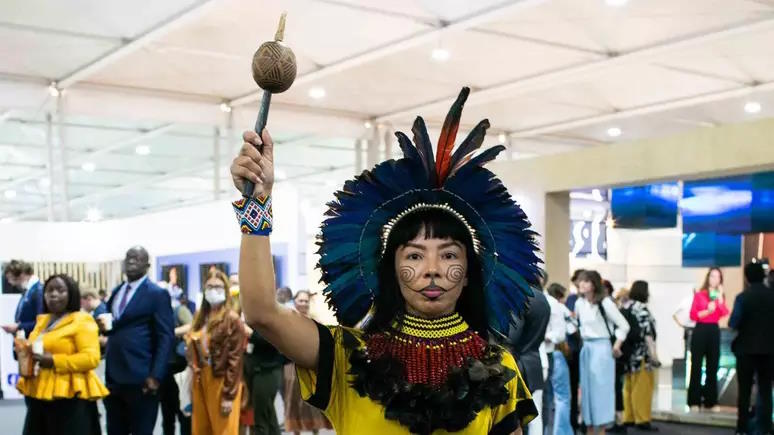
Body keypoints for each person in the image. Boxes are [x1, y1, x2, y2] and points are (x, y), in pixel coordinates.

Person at [231, 87, 540, 434]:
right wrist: (257, 204)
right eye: (414, 255)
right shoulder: (347, 355)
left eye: (449, 254)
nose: (433, 269)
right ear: (391, 269)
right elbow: (261, 312)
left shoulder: (499, 367)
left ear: (469, 272)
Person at [16, 274, 109, 435]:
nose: (53, 294)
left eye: (60, 290)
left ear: (71, 294)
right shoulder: (43, 321)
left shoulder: (82, 320)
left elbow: (91, 358)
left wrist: (54, 361)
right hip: (39, 393)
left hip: (70, 397)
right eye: (49, 290)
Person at [100, 246, 175, 435]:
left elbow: (165, 336)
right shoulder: (117, 291)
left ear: (147, 265)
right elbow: (115, 326)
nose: (131, 261)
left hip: (142, 378)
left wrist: (156, 376)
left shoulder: (157, 293)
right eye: (128, 258)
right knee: (115, 430)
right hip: (114, 377)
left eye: (137, 258)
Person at [186, 270, 246, 435]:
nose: (213, 290)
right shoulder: (200, 316)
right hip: (200, 377)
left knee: (223, 430)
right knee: (201, 429)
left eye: (218, 287)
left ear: (226, 290)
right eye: (210, 286)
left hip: (222, 380)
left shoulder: (232, 319)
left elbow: (236, 361)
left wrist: (229, 395)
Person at [574, 270, 630, 435]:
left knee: (601, 392)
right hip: (587, 349)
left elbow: (624, 325)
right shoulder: (579, 303)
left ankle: (602, 430)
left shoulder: (605, 303)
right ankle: (590, 428)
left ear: (594, 284)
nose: (582, 284)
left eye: (586, 281)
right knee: (587, 392)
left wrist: (617, 345)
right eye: (580, 281)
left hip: (602, 349)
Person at [729, 262, 774, 435]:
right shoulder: (772, 296)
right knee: (765, 390)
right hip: (769, 350)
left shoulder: (743, 297)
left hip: (745, 350)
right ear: (764, 277)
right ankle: (766, 427)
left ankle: (742, 427)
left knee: (745, 391)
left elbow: (734, 322)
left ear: (746, 278)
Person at [283, 290, 332, 434]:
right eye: (300, 300)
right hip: (292, 366)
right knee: (293, 401)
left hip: (312, 365)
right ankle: (296, 431)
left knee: (313, 401)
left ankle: (315, 431)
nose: (303, 304)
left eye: (306, 301)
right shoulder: (287, 320)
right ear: (295, 301)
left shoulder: (316, 321)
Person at [507, 282, 550, 435]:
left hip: (518, 364)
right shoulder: (542, 299)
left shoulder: (520, 297)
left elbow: (512, 336)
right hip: (535, 361)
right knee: (534, 416)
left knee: (517, 420)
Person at [688, 267, 729, 412]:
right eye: (712, 276)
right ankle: (694, 401)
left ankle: (711, 401)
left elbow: (725, 312)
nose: (715, 279)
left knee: (713, 366)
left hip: (714, 330)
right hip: (700, 330)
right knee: (696, 366)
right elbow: (693, 315)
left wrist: (720, 300)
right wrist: (708, 311)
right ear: (708, 278)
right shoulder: (700, 295)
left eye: (718, 277)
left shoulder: (719, 295)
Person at [243, 299, 287, 435]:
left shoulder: (275, 314)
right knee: (269, 414)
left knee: (260, 419)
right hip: (255, 369)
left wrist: (250, 333)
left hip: (268, 370)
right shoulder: (250, 313)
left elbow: (273, 340)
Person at [621, 281, 659, 431]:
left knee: (628, 385)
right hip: (642, 353)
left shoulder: (626, 306)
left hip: (629, 353)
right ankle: (642, 419)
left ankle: (628, 417)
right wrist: (654, 355)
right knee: (642, 386)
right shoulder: (642, 309)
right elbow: (647, 334)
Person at [159, 291, 194, 435]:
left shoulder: (179, 310)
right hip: (163, 371)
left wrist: (170, 333)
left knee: (184, 413)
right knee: (167, 417)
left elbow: (192, 326)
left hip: (180, 370)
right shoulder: (156, 315)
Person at [545, 283, 577, 435]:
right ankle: (562, 432)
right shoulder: (559, 307)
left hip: (544, 356)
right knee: (563, 397)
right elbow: (572, 327)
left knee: (547, 397)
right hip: (557, 353)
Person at [3, 259, 44, 338]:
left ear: (21, 274)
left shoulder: (38, 291)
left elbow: (41, 322)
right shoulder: (28, 291)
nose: (9, 282)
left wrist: (19, 326)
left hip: (32, 340)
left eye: (10, 278)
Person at [565, 268, 585, 432]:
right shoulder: (572, 299)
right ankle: (574, 419)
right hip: (575, 350)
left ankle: (585, 419)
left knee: (586, 386)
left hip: (585, 349)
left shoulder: (592, 301)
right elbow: (569, 320)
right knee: (573, 386)